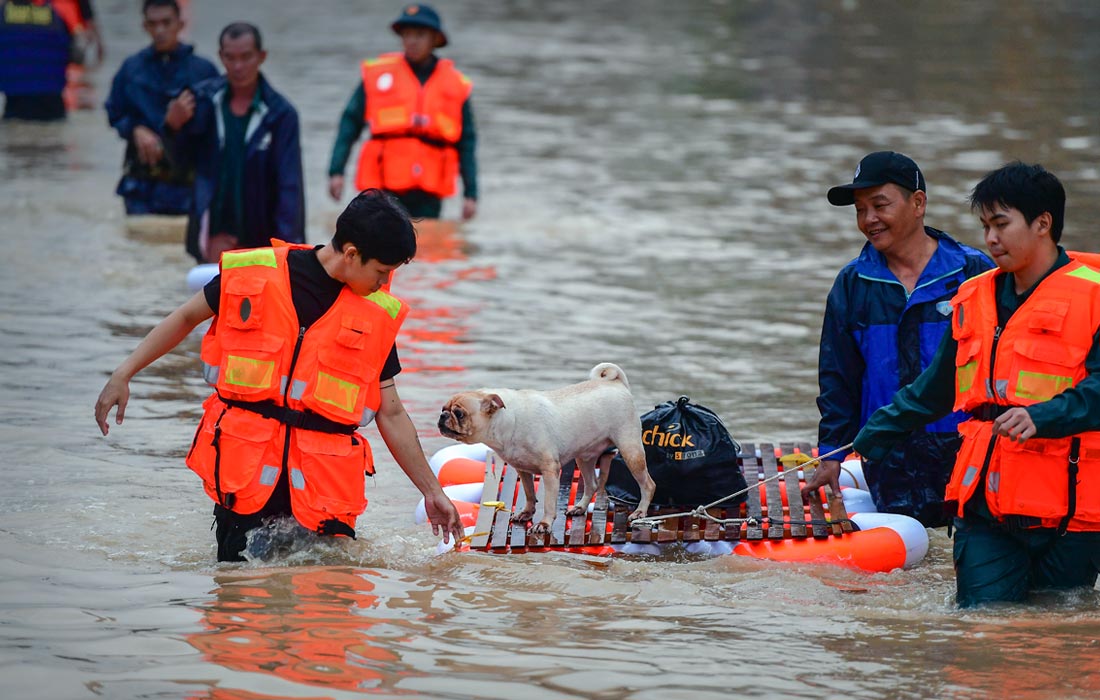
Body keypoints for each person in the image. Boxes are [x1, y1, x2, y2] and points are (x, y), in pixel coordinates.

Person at [94, 189, 464, 562]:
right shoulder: (255, 275)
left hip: (323, 491)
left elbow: (391, 412)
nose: (384, 283)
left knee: (329, 606)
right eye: (381, 272)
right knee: (237, 600)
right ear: (351, 254)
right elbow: (186, 317)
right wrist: (123, 373)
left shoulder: (375, 314)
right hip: (246, 478)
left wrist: (431, 491)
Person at [825, 162, 1100, 606]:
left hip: (1070, 509)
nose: (991, 238)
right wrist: (863, 439)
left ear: (1042, 223)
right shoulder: (975, 294)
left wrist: (1042, 415)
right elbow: (934, 390)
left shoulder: (1095, 294)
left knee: (1056, 628)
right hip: (984, 501)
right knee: (981, 622)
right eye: (985, 226)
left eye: (1001, 225)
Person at [807, 151, 994, 527]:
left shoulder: (974, 274)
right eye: (860, 210)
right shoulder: (854, 283)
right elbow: (838, 378)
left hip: (966, 451)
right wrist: (830, 456)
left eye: (880, 205)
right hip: (889, 458)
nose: (868, 220)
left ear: (918, 203)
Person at [164, 21, 305, 263]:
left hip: (262, 242)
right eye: (230, 58)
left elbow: (289, 189)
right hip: (211, 239)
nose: (238, 66)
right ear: (220, 57)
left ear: (261, 57)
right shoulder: (201, 102)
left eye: (246, 57)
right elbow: (178, 165)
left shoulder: (281, 115)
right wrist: (171, 127)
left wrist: (290, 253)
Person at [327, 3, 478, 221]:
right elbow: (349, 124)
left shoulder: (455, 84)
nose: (412, 41)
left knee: (426, 248)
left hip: (429, 192)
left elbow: (467, 142)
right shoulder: (377, 75)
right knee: (379, 247)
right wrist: (336, 171)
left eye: (420, 35)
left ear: (435, 39)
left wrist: (471, 194)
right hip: (382, 185)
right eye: (407, 34)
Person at [104, 0, 218, 216]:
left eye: (166, 23)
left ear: (180, 24)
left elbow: (215, 129)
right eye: (153, 24)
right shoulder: (131, 69)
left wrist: (177, 124)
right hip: (141, 188)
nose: (160, 31)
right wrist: (135, 129)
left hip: (188, 190)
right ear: (144, 27)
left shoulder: (203, 71)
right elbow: (114, 112)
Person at [0, 0, 78, 120]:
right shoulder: (60, 9)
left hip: (15, 99)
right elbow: (76, 55)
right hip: (52, 98)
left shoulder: (3, 12)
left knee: (17, 132)